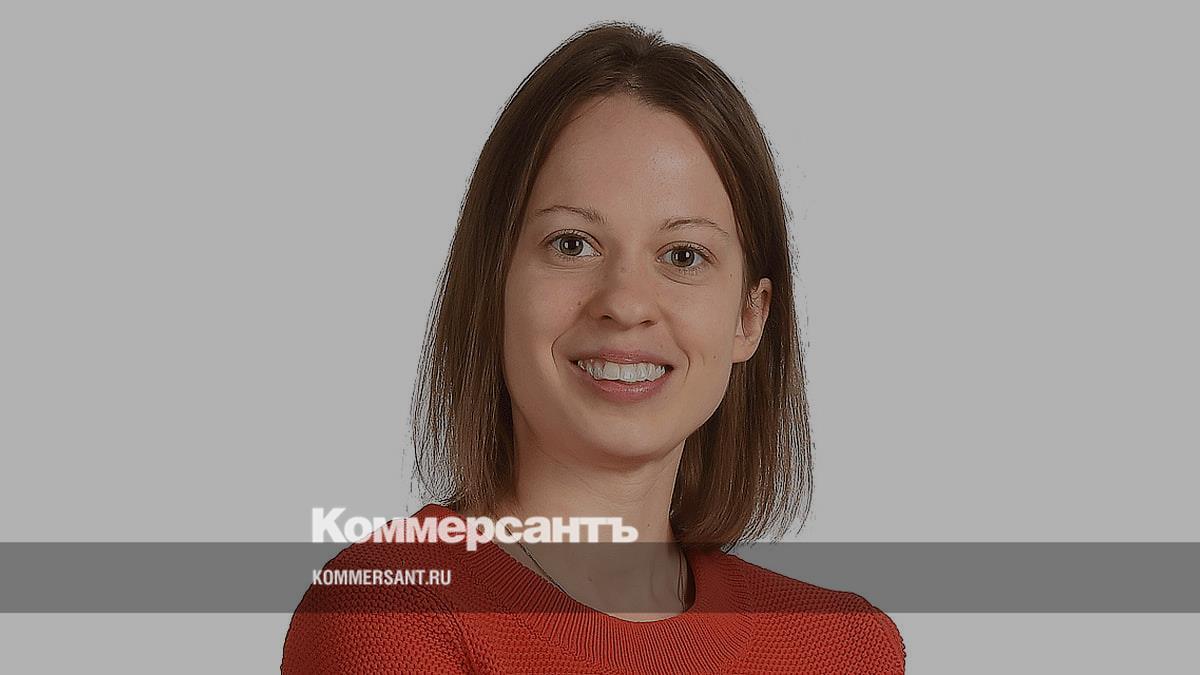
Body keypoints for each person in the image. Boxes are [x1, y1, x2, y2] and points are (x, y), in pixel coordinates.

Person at [282, 20, 905, 674]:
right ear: (494, 282)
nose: (626, 303)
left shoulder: (845, 648)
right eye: (572, 244)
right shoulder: (386, 617)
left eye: (683, 255)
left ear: (750, 317)